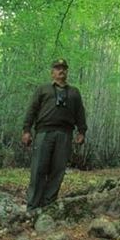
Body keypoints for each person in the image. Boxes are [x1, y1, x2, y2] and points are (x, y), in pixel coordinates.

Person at [22, 58, 87, 211]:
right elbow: (32, 110)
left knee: (58, 170)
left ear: (67, 71)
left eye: (64, 68)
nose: (61, 70)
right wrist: (26, 130)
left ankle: (48, 205)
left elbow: (80, 113)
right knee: (38, 169)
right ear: (52, 72)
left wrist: (82, 131)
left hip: (65, 134)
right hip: (44, 132)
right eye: (58, 68)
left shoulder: (74, 92)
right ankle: (32, 206)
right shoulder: (43, 89)